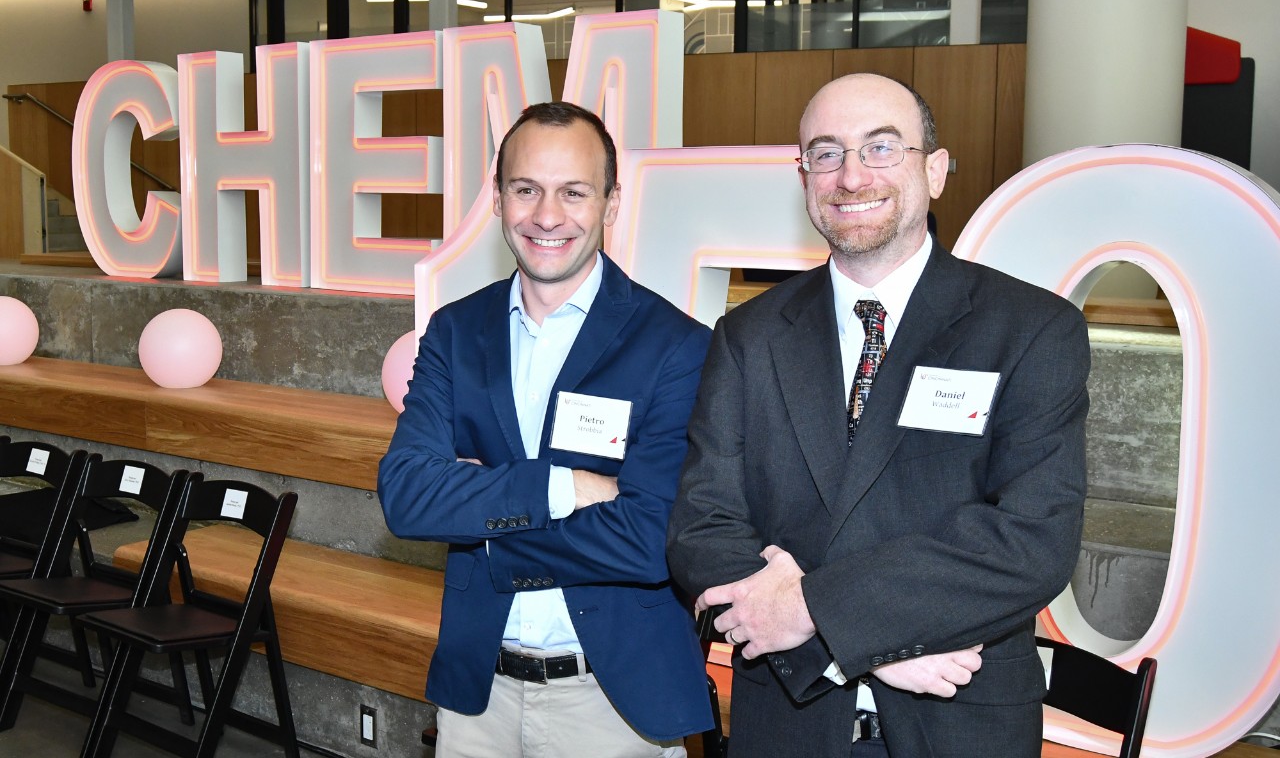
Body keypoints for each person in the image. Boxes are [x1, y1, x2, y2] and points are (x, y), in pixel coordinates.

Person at [666, 73, 1090, 757]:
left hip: (959, 726)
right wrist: (857, 647)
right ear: (804, 177)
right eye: (826, 153)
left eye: (882, 147)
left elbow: (1031, 541)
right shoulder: (748, 337)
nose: (852, 175)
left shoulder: (1032, 329)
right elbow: (701, 528)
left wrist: (816, 610)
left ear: (936, 170)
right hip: (789, 724)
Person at [379, 101, 713, 757]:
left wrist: (485, 527)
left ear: (611, 203)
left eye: (574, 192)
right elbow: (407, 496)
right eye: (526, 189)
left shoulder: (676, 345)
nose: (548, 215)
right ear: (498, 198)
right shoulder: (453, 331)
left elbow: (652, 538)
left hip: (613, 704)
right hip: (479, 700)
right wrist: (567, 488)